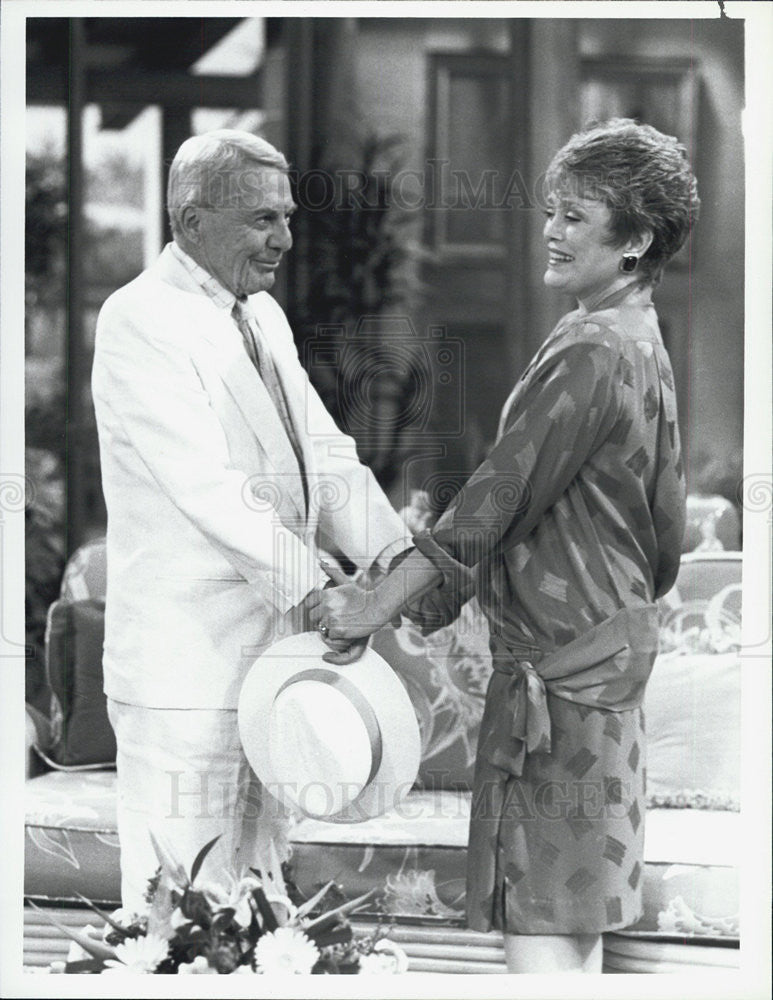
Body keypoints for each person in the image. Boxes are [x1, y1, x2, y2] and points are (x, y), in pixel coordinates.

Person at [309, 119, 697, 973]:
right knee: (572, 924)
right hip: (600, 668)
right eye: (551, 211)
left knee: (543, 934)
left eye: (574, 218)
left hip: (557, 685)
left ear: (634, 240)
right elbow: (664, 539)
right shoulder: (640, 338)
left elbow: (491, 503)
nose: (550, 232)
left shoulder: (592, 349)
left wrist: (372, 604)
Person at [91, 130, 409, 911]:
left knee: (262, 905)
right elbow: (206, 486)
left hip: (273, 665)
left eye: (288, 218)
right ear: (193, 222)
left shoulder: (261, 315)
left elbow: (326, 455)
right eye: (263, 220)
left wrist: (402, 560)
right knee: (178, 912)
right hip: (184, 670)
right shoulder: (138, 318)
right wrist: (318, 589)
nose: (285, 240)